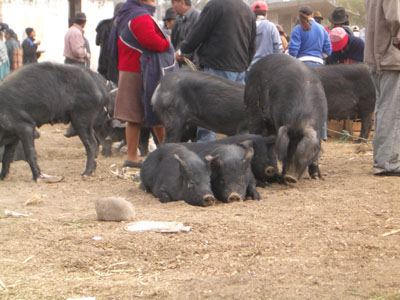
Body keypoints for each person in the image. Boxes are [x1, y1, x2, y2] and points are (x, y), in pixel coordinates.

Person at [110, 0, 177, 167]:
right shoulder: (140, 16)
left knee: (133, 116)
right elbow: (151, 42)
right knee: (156, 112)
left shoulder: (125, 13)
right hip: (140, 70)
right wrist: (167, 42)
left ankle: (132, 156)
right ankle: (166, 153)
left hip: (129, 66)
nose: (154, 2)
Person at [178, 0, 256, 142]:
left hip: (217, 68)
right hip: (240, 70)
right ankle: (237, 154)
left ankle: (204, 155)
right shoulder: (247, 10)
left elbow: (199, 32)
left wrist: (183, 50)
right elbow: (252, 45)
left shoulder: (215, 5)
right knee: (236, 116)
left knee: (210, 116)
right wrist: (244, 64)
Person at [364, 0, 400, 176]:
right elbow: (396, 19)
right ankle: (387, 162)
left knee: (383, 109)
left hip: (376, 56)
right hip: (390, 56)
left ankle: (384, 159)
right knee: (391, 111)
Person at [289, 6, 331, 141]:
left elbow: (293, 51)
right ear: (312, 14)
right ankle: (322, 134)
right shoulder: (322, 29)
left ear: (299, 15)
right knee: (318, 99)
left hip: (301, 66)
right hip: (318, 66)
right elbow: (328, 50)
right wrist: (320, 56)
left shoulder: (297, 29)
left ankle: (301, 131)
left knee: (301, 99)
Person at [249, 1, 282, 69]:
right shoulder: (271, 26)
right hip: (267, 67)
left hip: (250, 68)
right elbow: (278, 47)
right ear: (266, 13)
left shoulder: (247, 27)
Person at [96, 2, 122, 85]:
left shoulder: (104, 25)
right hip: (117, 66)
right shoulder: (121, 25)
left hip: (106, 65)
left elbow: (98, 43)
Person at [170, 0, 200, 68]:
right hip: (180, 64)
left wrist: (196, 69)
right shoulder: (178, 20)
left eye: (173, 3)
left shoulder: (198, 17)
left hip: (192, 67)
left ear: (182, 2)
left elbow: (199, 44)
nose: (172, 6)